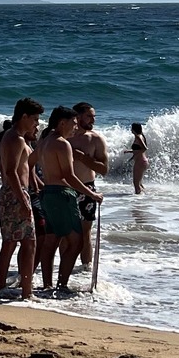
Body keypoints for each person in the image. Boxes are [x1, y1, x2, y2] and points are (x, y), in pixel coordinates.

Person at [35, 105, 103, 292]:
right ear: (62, 123)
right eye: (73, 124)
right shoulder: (62, 143)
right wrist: (92, 194)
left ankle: (48, 284)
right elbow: (69, 176)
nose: (75, 127)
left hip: (47, 192)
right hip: (61, 195)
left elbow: (30, 163)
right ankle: (61, 284)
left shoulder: (45, 141)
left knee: (51, 240)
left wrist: (38, 184)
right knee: (76, 241)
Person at [0, 98, 42, 300]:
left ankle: (2, 287)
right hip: (15, 192)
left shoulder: (13, 136)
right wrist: (23, 201)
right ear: (24, 116)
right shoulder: (16, 138)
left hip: (10, 192)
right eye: (34, 119)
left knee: (10, 242)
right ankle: (27, 292)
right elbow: (11, 171)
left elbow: (24, 167)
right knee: (29, 243)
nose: (36, 123)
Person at [70, 102, 109, 270]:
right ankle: (66, 268)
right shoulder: (64, 136)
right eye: (89, 116)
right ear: (77, 117)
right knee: (67, 234)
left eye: (94, 116)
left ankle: (86, 268)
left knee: (85, 233)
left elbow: (104, 169)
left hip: (87, 187)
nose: (93, 119)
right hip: (64, 187)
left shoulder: (95, 138)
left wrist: (83, 158)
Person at [130, 122, 149, 194]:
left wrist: (135, 153)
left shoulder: (138, 136)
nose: (130, 129)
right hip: (142, 161)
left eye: (131, 128)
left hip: (140, 162)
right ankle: (143, 197)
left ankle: (138, 199)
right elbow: (138, 149)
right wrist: (130, 152)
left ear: (134, 129)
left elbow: (144, 148)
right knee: (139, 183)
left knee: (136, 183)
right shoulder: (140, 136)